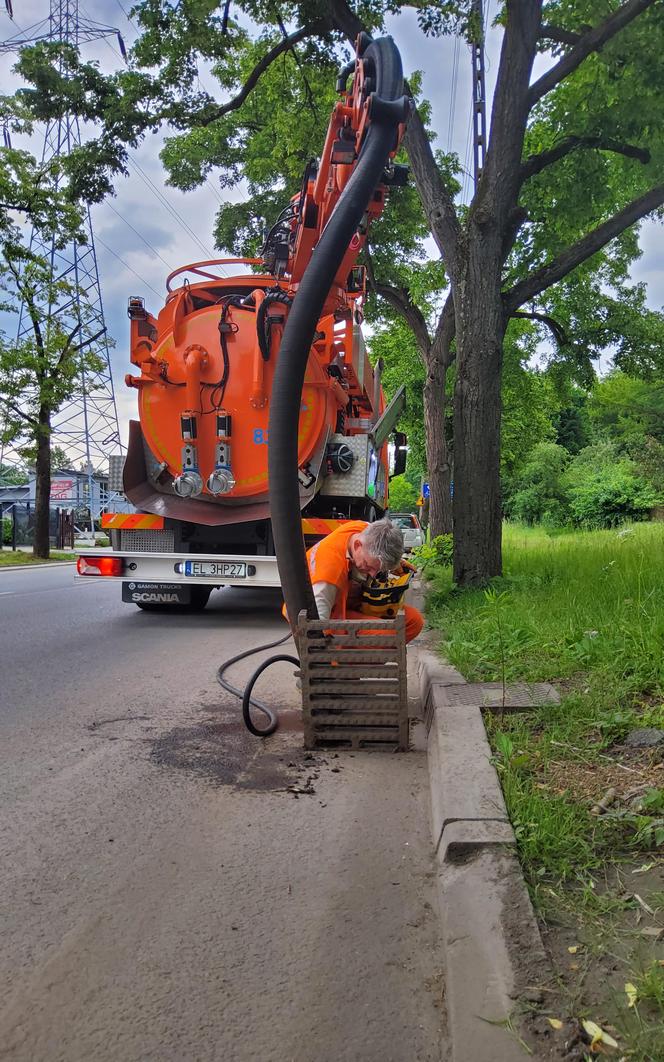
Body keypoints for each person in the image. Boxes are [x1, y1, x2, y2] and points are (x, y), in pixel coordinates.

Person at [305, 517, 424, 642]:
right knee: (388, 633)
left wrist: (393, 564)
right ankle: (350, 660)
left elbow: (381, 548)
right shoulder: (327, 576)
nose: (373, 575)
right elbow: (316, 626)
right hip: (330, 615)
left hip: (350, 602)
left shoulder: (365, 531)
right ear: (357, 546)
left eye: (378, 569)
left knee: (413, 621)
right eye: (369, 566)